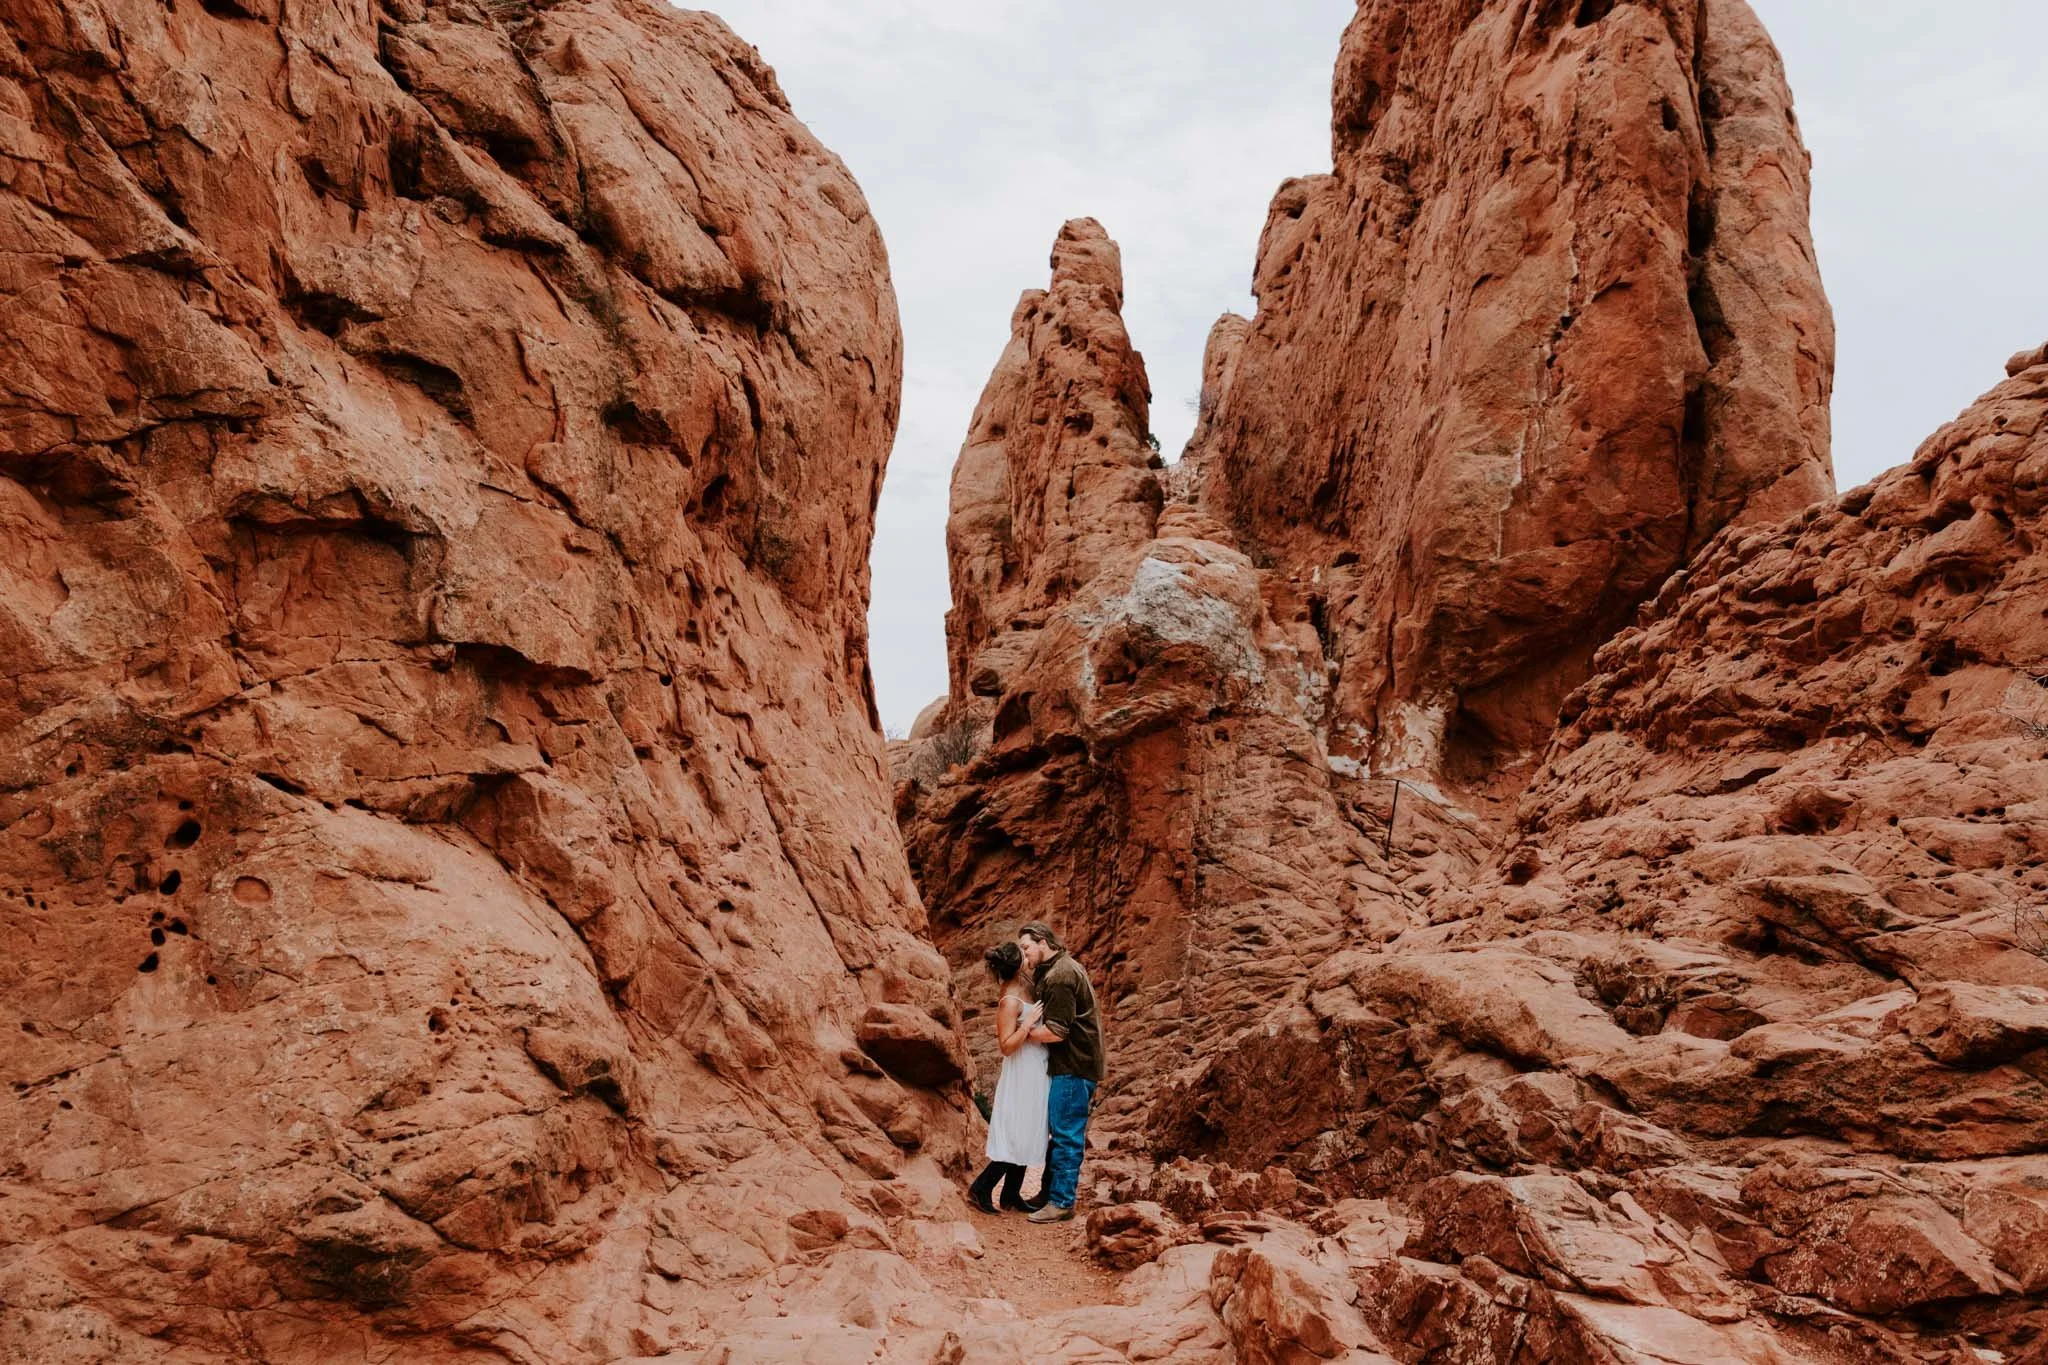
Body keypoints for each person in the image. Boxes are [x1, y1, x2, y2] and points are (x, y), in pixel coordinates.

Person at [1014, 921, 1104, 1223]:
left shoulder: (1061, 976)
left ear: (1042, 941)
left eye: (1027, 947)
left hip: (1074, 1065)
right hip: (1072, 1064)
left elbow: (1056, 1032)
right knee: (1060, 1132)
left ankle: (1062, 1201)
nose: (1025, 955)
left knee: (1067, 1134)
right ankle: (1048, 1194)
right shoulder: (1057, 968)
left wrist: (1021, 1030)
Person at [967, 941, 1049, 1214]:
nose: (1029, 956)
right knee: (1017, 1132)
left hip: (1036, 1068)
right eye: (1024, 954)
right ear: (1018, 964)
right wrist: (1026, 1025)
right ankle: (981, 1188)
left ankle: (1012, 1194)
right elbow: (1006, 1045)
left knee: (1029, 1130)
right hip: (1021, 1070)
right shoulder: (1010, 999)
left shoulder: (1026, 983)